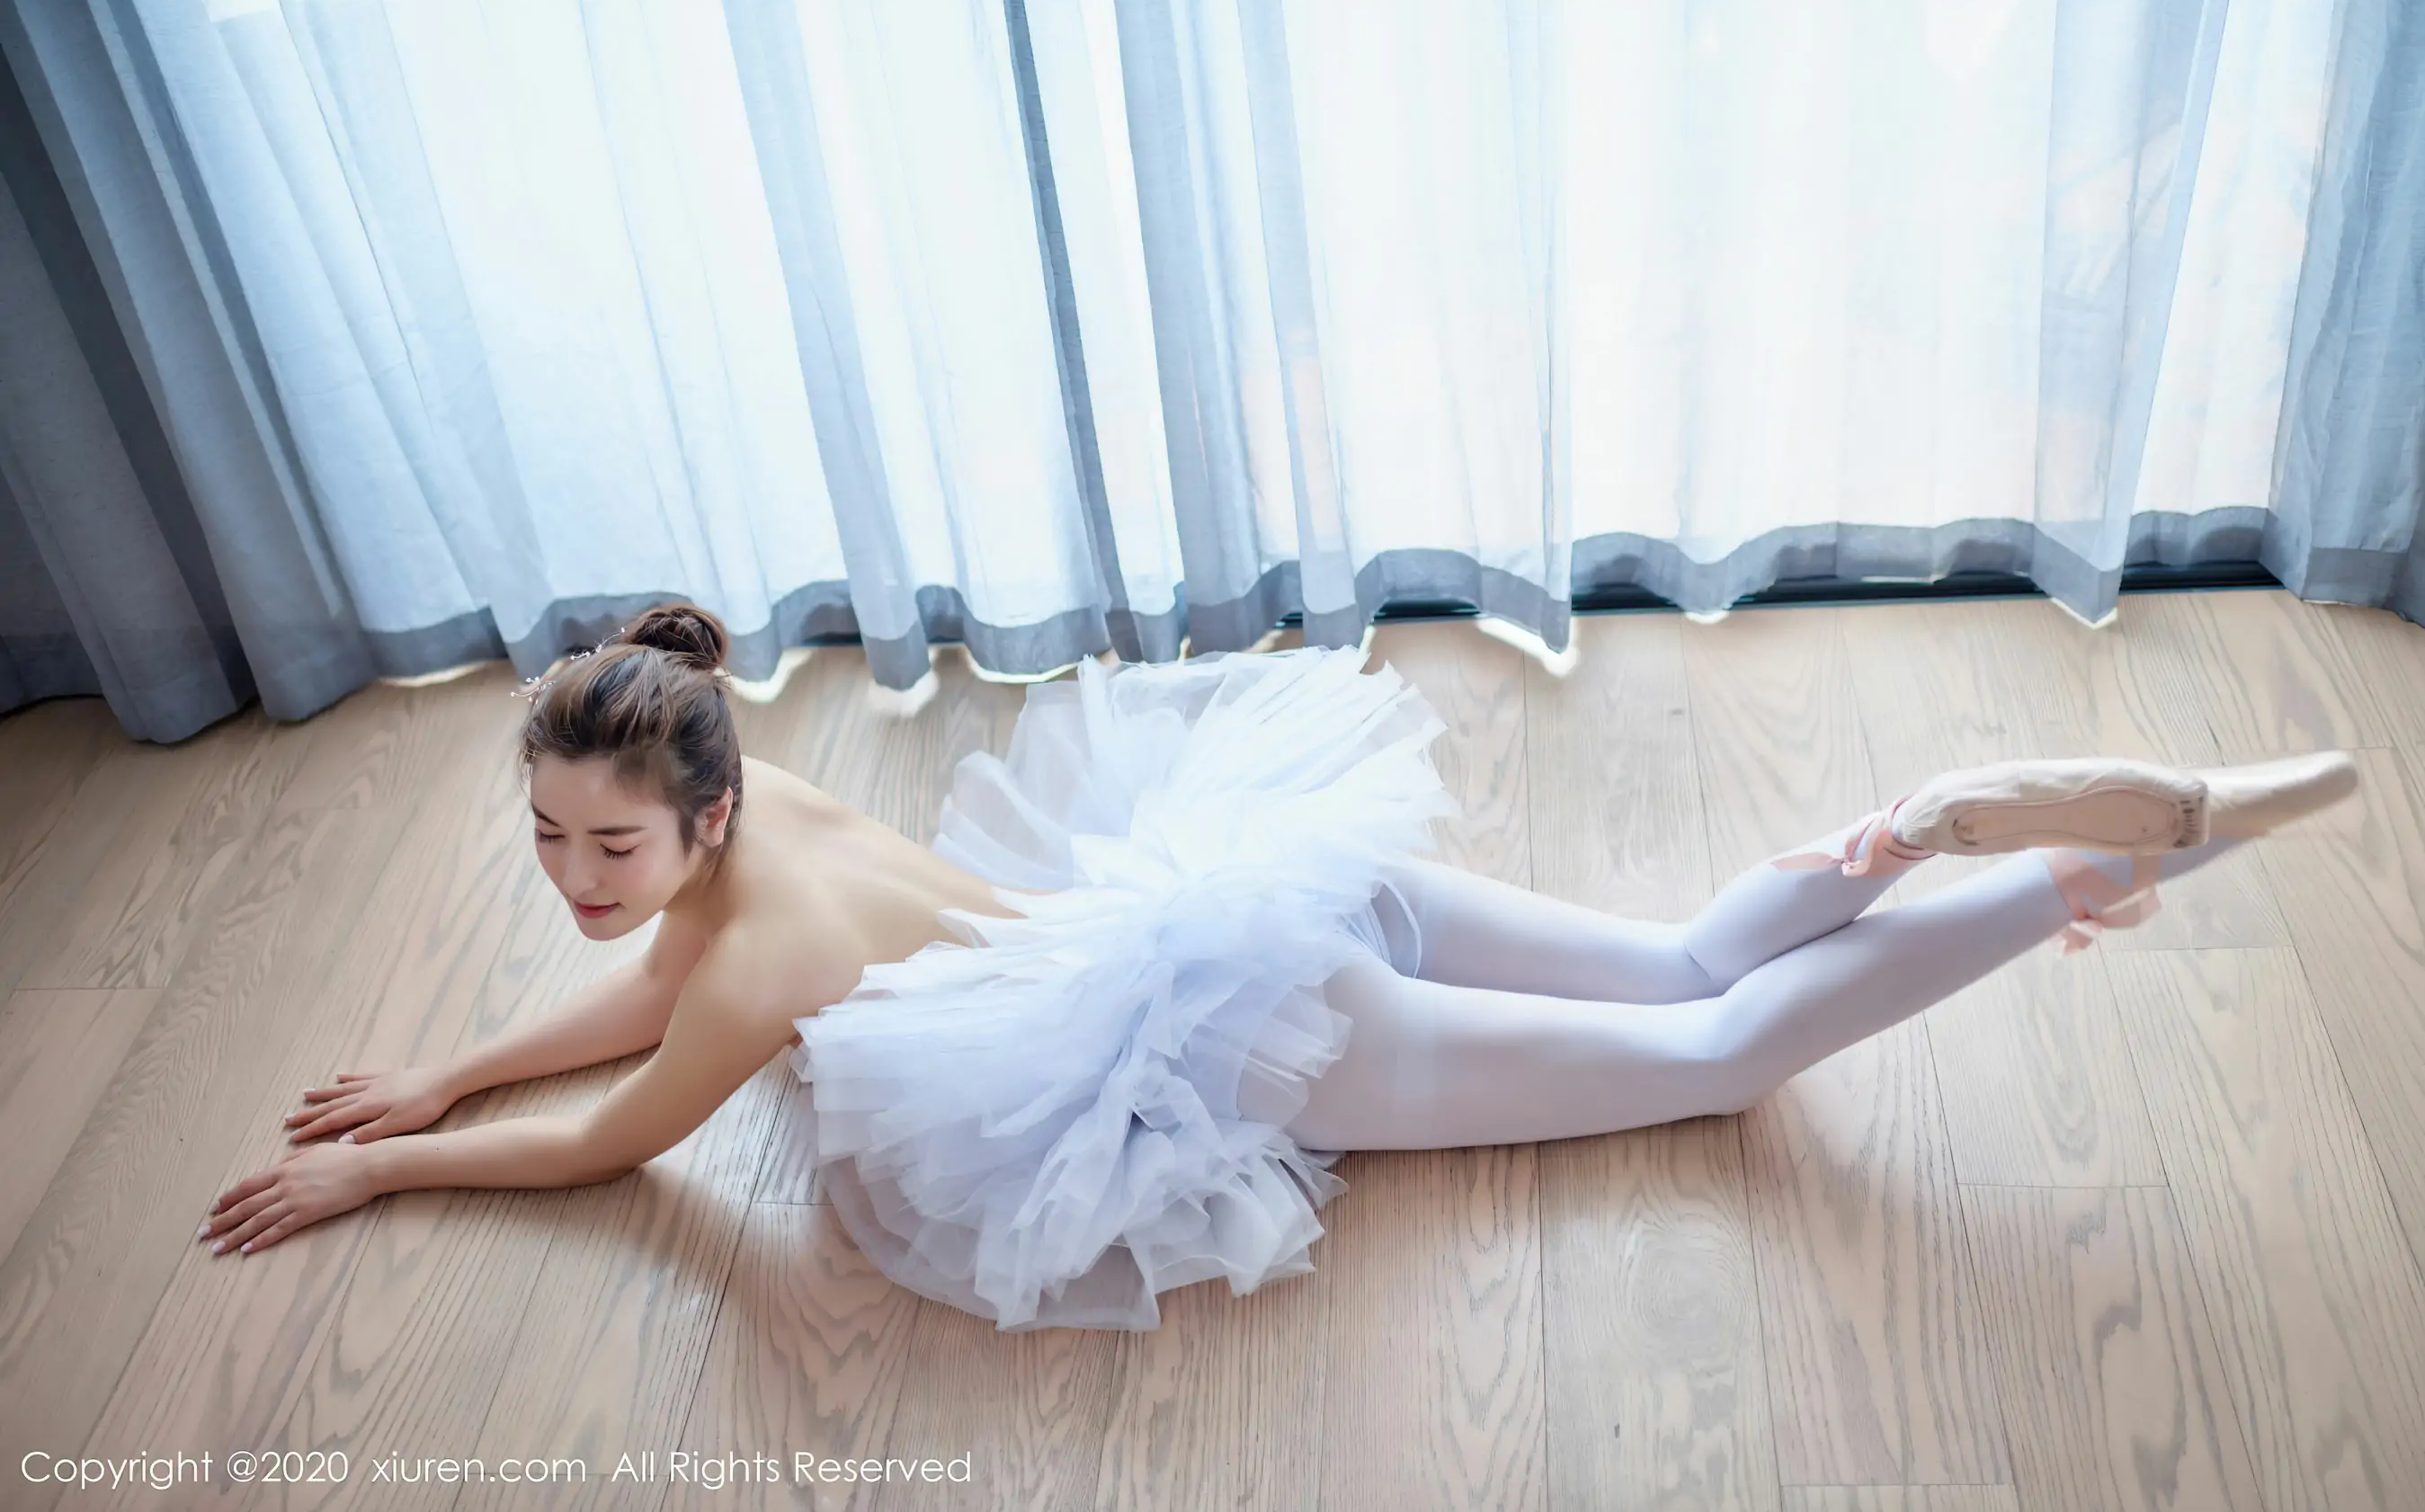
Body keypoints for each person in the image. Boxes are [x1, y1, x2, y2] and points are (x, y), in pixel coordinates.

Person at [198, 601, 2358, 1333]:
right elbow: (654, 985)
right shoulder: (766, 817)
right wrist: (450, 1067)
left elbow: (623, 1133)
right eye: (550, 842)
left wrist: (391, 1164)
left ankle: (2060, 872)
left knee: (1715, 1055)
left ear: (697, 816)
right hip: (1268, 893)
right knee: (1686, 952)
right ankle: (1904, 829)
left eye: (610, 845)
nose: (580, 879)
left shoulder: (744, 950)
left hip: (1262, 1034)